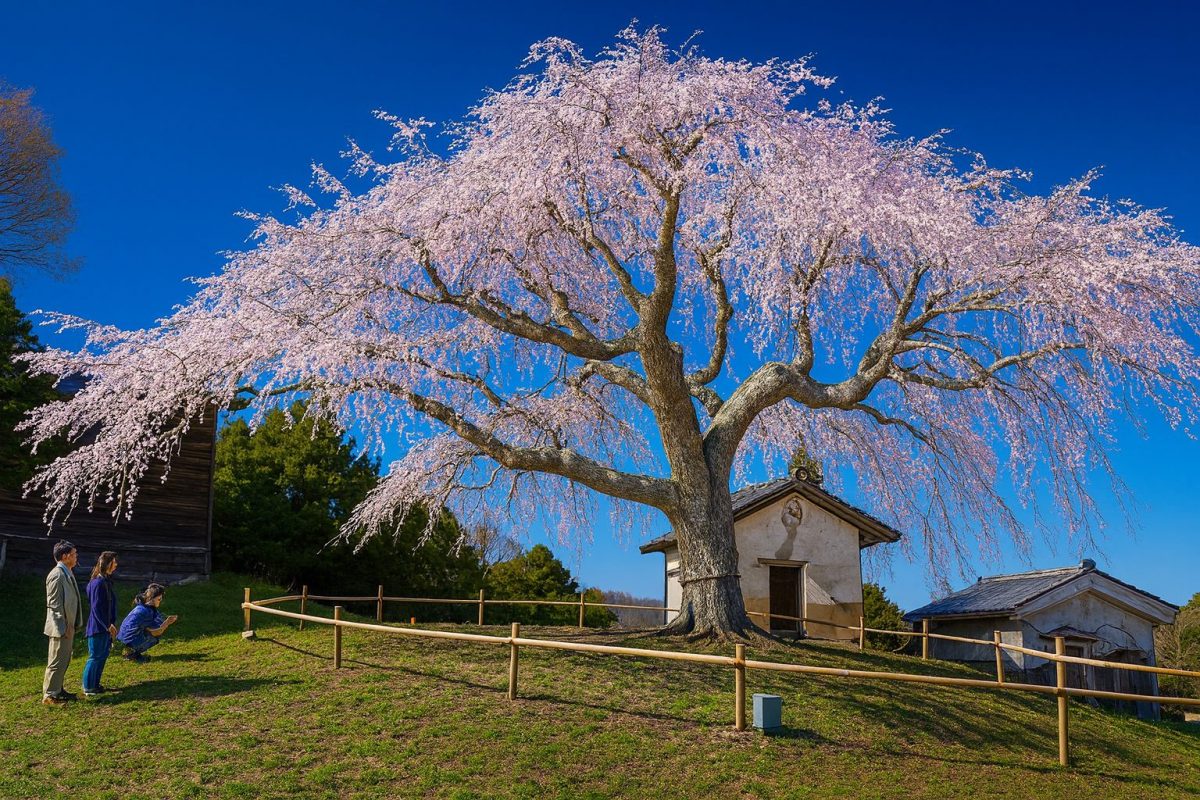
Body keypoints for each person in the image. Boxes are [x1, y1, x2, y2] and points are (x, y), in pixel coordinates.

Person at [43, 540, 84, 706]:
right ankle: (50, 695)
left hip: (69, 625)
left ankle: (58, 689)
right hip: (61, 627)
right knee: (56, 660)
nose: (76, 557)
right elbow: (54, 604)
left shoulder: (66, 572)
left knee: (64, 659)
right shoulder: (57, 575)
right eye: (74, 554)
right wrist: (63, 626)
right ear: (65, 556)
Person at [81, 551, 119, 697]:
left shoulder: (105, 582)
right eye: (114, 561)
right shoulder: (98, 583)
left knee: (102, 656)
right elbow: (97, 608)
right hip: (98, 627)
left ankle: (95, 685)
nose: (116, 564)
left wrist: (110, 624)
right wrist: (107, 625)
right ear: (107, 563)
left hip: (104, 627)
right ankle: (89, 686)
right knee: (95, 656)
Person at [117, 583, 177, 662]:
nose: (160, 601)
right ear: (152, 599)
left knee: (156, 626)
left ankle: (129, 651)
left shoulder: (141, 606)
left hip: (121, 640)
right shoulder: (147, 612)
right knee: (155, 637)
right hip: (129, 642)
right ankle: (132, 654)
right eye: (159, 599)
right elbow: (156, 632)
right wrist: (167, 623)